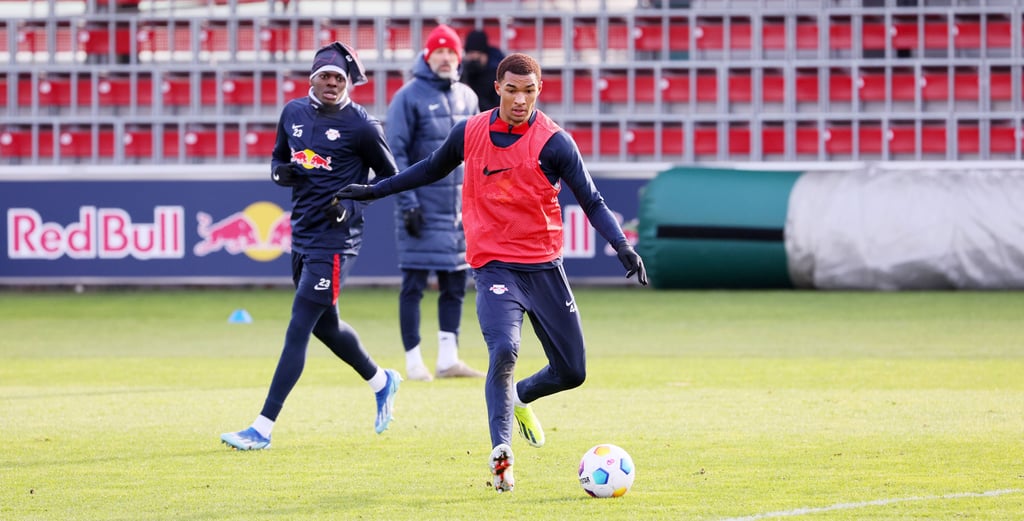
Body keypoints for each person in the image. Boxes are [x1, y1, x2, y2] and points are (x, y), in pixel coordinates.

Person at [331, 53, 648, 492]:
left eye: (530, 90)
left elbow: (592, 200)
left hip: (544, 267)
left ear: (540, 90)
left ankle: (519, 398)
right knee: (504, 349)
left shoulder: (555, 142)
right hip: (494, 264)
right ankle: (502, 454)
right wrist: (373, 190)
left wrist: (622, 247)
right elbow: (428, 169)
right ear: (497, 87)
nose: (521, 99)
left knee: (573, 371)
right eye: (513, 89)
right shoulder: (470, 131)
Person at [220, 41, 402, 451]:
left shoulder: (362, 126)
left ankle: (262, 428)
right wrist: (281, 174)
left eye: (339, 77)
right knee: (325, 325)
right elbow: (277, 160)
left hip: (336, 242)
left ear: (348, 81)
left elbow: (390, 178)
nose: (333, 83)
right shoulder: (293, 113)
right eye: (326, 77)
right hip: (301, 234)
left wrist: (351, 204)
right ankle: (381, 380)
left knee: (299, 326)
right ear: (313, 79)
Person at [385, 25, 485, 382]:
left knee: (455, 284)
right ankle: (413, 361)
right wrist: (408, 202)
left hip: (458, 211)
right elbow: (394, 152)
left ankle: (448, 359)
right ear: (427, 56)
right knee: (413, 283)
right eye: (439, 51)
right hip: (421, 208)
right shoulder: (407, 97)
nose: (446, 57)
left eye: (451, 52)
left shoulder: (469, 98)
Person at [460, 30, 504, 111]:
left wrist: (472, 95)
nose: (473, 59)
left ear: (485, 55)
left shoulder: (498, 74)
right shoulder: (461, 71)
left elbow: (498, 108)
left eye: (477, 57)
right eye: (470, 54)